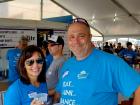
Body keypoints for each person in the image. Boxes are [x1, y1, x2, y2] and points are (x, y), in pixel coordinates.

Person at [54, 18, 140, 105]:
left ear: (90, 37)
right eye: (72, 37)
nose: (76, 41)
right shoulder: (67, 64)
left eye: (81, 36)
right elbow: (60, 93)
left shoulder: (110, 62)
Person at [46, 35, 66, 105]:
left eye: (51, 45)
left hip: (54, 99)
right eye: (48, 45)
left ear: (60, 47)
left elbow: (62, 86)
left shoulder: (62, 62)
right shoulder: (55, 60)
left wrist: (55, 102)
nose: (48, 47)